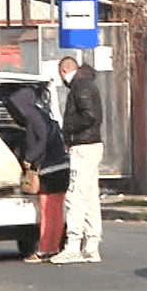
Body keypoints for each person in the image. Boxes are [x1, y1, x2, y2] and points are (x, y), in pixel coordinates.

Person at [50, 56, 104, 265]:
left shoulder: (79, 86)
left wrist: (68, 128)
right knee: (89, 196)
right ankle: (91, 246)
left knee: (75, 196)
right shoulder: (86, 83)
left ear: (64, 71)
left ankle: (73, 245)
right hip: (90, 145)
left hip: (83, 146)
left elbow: (90, 115)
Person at [5, 87, 67, 263]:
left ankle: (45, 250)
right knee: (56, 211)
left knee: (47, 211)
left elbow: (41, 140)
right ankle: (53, 248)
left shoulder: (34, 118)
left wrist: (28, 159)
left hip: (50, 169)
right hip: (60, 168)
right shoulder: (43, 116)